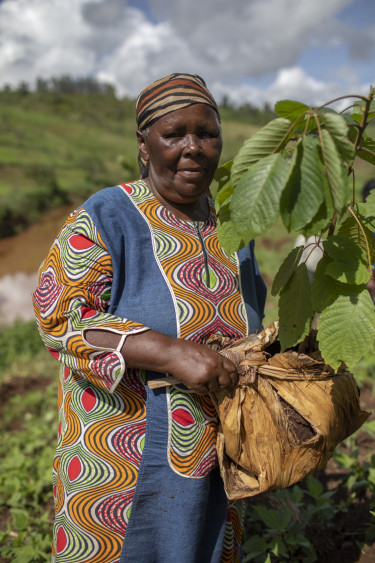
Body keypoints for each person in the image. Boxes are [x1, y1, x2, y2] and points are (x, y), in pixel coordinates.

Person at [33, 73, 266, 563]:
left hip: (212, 450)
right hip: (119, 454)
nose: (193, 148)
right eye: (174, 134)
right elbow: (59, 316)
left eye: (206, 133)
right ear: (143, 146)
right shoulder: (108, 215)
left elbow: (255, 315)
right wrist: (172, 352)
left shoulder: (233, 226)